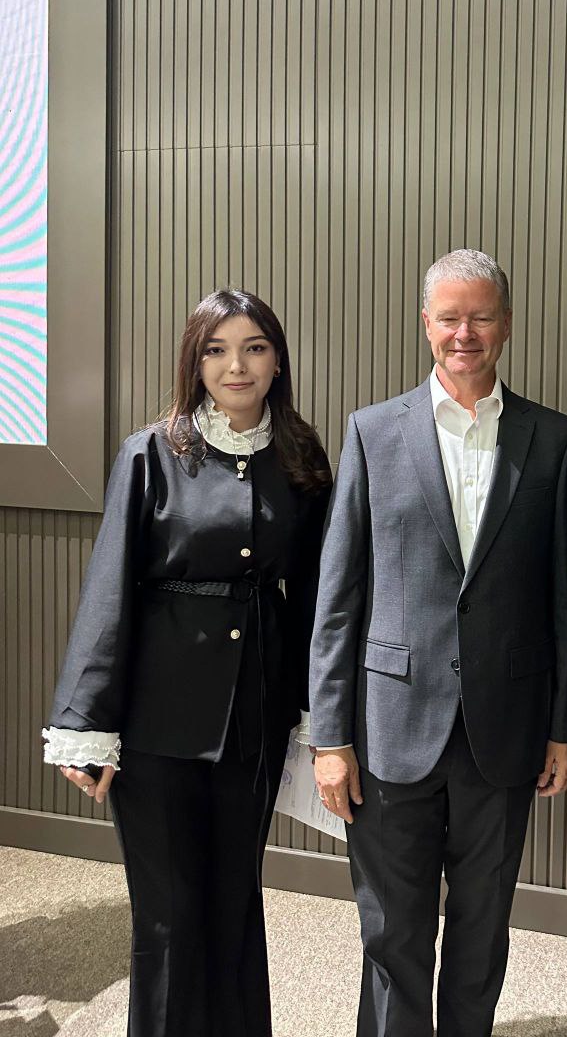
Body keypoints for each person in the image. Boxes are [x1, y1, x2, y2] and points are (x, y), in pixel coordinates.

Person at [309, 248, 567, 1037]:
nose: (465, 334)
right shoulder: (372, 432)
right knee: (391, 933)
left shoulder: (553, 438)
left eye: (481, 317)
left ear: (507, 323)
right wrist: (329, 736)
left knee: (481, 931)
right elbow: (338, 595)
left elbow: (564, 596)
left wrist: (565, 726)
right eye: (449, 318)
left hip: (504, 729)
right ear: (425, 324)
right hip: (389, 727)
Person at [42, 288, 331, 1037]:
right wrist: (86, 722)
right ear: (194, 362)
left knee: (235, 901)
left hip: (257, 713)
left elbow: (315, 595)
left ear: (277, 361)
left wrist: (319, 710)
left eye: (254, 348)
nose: (236, 366)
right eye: (216, 350)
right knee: (168, 913)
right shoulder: (151, 451)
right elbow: (109, 587)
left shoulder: (300, 454)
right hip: (156, 720)